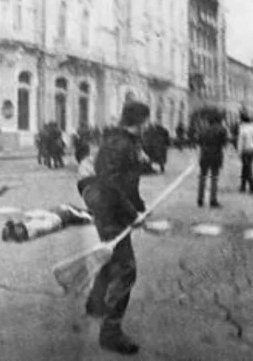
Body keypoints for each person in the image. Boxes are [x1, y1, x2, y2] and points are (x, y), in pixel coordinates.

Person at [79, 101, 149, 355]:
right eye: (146, 121)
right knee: (126, 270)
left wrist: (139, 207)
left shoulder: (123, 141)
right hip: (111, 211)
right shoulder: (120, 144)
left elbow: (128, 182)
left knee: (113, 256)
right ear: (141, 121)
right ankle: (111, 333)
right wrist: (131, 213)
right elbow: (111, 185)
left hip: (114, 209)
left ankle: (96, 303)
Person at [1, 204, 92, 242]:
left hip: (60, 220)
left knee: (85, 217)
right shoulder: (28, 229)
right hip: (60, 217)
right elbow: (41, 214)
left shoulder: (25, 235)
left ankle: (91, 216)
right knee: (87, 216)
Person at [196, 112, 228, 208]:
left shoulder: (203, 129)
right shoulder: (222, 129)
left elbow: (199, 141)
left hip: (204, 154)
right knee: (214, 178)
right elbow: (224, 143)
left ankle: (200, 199)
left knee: (202, 177)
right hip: (216, 155)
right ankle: (213, 200)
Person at [237, 112, 253, 194]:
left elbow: (240, 142)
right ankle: (242, 186)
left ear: (242, 120)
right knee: (245, 168)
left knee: (247, 169)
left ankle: (252, 187)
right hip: (252, 150)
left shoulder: (242, 129)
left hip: (245, 150)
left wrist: (239, 152)